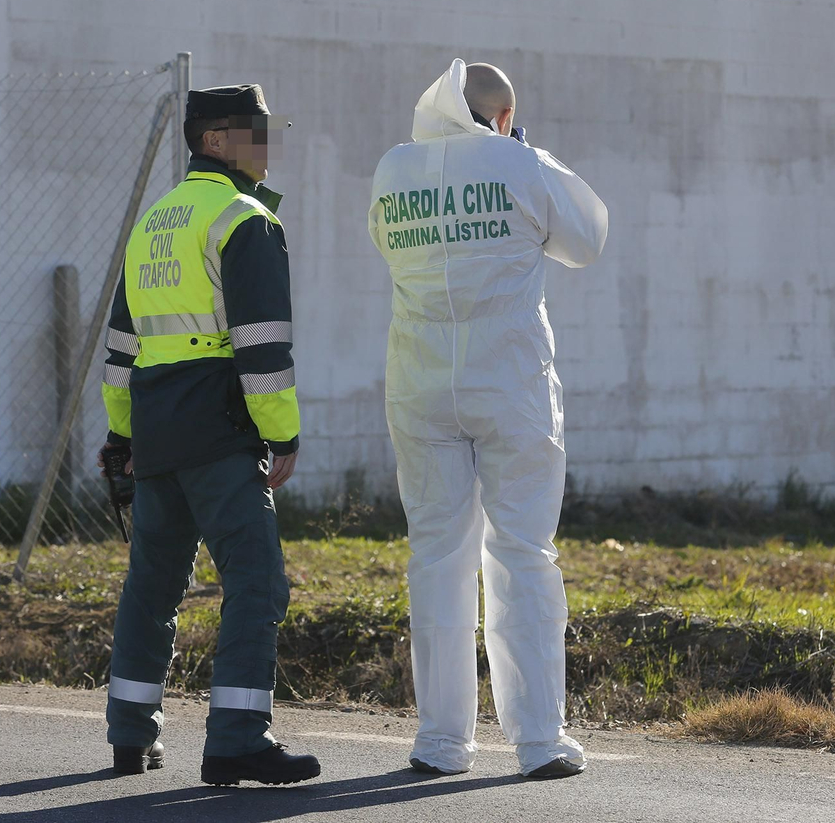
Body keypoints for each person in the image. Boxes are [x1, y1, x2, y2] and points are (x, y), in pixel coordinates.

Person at [367, 60, 609, 779]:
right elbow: (586, 240)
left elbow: (386, 245)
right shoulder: (519, 162)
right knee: (523, 554)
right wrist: (527, 154)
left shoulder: (392, 170)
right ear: (503, 117)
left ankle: (442, 741)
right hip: (508, 382)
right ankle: (539, 741)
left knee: (437, 557)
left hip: (420, 382)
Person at [99, 83, 320, 787]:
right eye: (256, 129)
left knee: (153, 584)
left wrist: (121, 435)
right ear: (214, 140)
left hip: (156, 431)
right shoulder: (243, 218)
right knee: (256, 582)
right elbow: (261, 346)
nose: (268, 142)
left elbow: (118, 351)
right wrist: (283, 434)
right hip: (221, 430)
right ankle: (237, 738)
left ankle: (130, 735)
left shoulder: (153, 221)